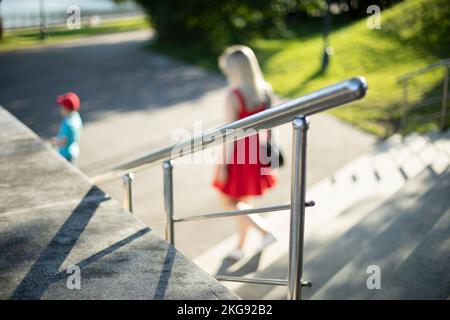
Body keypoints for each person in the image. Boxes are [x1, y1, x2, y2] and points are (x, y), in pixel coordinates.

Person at [213, 45, 278, 261]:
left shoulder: (233, 95)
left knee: (229, 203)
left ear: (235, 69)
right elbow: (269, 128)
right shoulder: (265, 91)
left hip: (238, 155)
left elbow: (229, 134)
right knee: (244, 204)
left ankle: (265, 232)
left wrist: (222, 165)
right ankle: (240, 248)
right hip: (257, 152)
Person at [52, 92, 83, 163]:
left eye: (62, 107)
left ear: (66, 109)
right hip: (74, 150)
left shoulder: (68, 124)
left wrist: (54, 142)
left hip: (66, 154)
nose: (60, 109)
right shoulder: (76, 116)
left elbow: (63, 142)